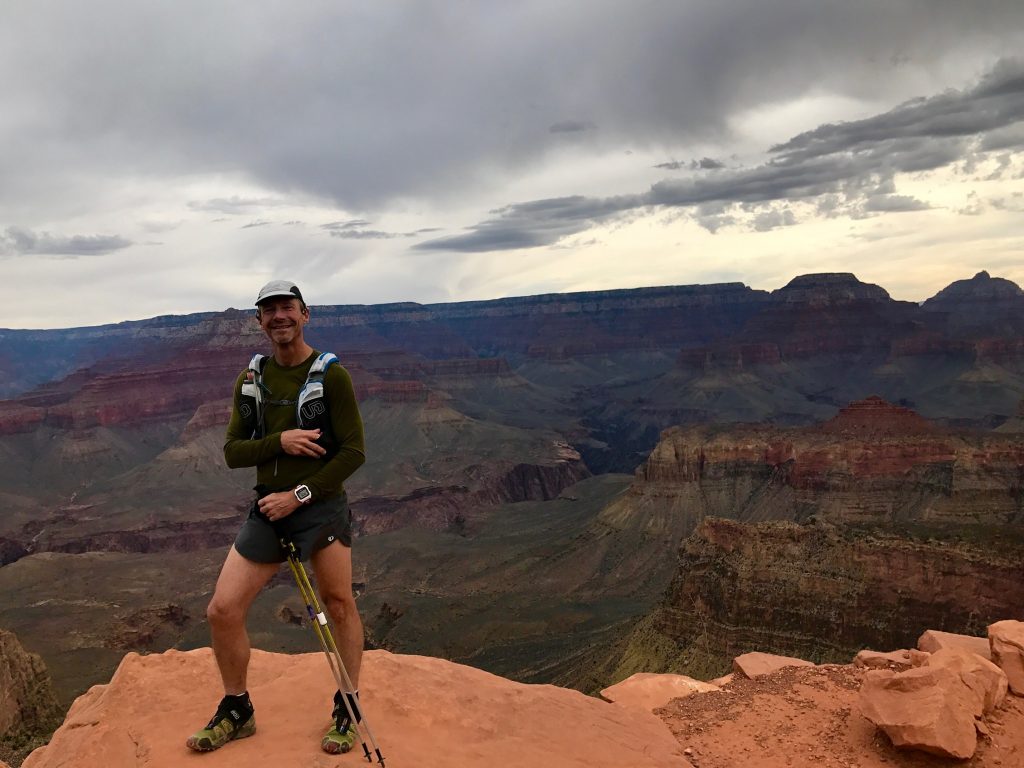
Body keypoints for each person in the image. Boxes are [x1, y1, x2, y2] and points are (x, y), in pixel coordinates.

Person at [186, 280, 366, 755]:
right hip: (269, 508)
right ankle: (237, 709)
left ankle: (348, 706)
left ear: (305, 315)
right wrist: (280, 442)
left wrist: (300, 494)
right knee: (222, 610)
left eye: (288, 308)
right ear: (259, 321)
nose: (279, 317)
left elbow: (353, 453)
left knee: (339, 605)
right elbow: (231, 452)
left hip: (319, 507)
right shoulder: (250, 380)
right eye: (269, 311)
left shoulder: (332, 377)